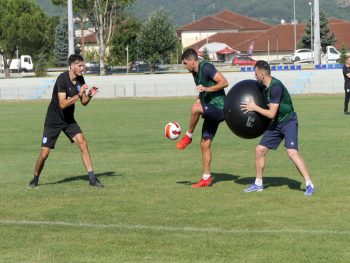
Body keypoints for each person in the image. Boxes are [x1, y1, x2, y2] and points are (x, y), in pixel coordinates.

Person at [240, 60, 314, 196]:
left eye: (256, 74)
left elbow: (271, 113)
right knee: (259, 150)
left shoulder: (275, 87)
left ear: (262, 75)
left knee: (292, 153)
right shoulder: (264, 85)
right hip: (277, 123)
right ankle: (258, 184)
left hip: (288, 122)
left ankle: (309, 184)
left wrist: (254, 107)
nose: (255, 77)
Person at [28, 54, 103, 188]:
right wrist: (79, 95)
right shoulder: (62, 80)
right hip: (53, 120)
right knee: (44, 154)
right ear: (72, 66)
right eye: (80, 65)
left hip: (68, 120)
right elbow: (62, 104)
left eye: (83, 65)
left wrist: (90, 94)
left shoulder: (80, 79)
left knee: (83, 143)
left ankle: (92, 179)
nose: (82, 68)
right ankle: (35, 178)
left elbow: (84, 102)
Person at [176, 48, 228, 188]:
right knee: (205, 143)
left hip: (220, 108)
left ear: (193, 61)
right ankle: (206, 178)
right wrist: (200, 97)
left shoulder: (207, 68)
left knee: (195, 109)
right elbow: (202, 87)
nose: (184, 66)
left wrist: (206, 89)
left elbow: (224, 82)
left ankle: (188, 136)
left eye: (186, 63)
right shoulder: (194, 72)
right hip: (210, 108)